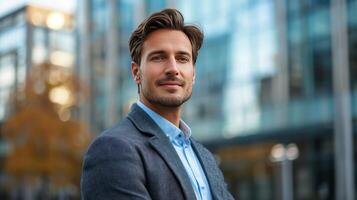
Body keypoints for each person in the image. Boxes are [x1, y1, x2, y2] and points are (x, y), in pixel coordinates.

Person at [80, 8, 235, 200]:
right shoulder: (112, 149)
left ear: (193, 74)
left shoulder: (205, 157)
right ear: (136, 72)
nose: (173, 69)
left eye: (182, 58)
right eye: (159, 57)